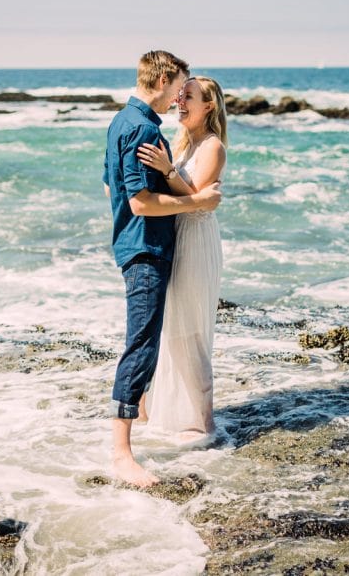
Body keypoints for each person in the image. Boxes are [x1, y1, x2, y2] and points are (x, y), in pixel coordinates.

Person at [102, 51, 222, 487]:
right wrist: (197, 202)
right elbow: (140, 202)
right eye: (179, 87)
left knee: (146, 339)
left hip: (137, 243)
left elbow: (109, 185)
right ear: (166, 79)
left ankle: (145, 421)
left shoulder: (122, 121)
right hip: (146, 248)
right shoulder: (141, 128)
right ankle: (121, 455)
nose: (178, 98)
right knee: (142, 345)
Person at [136, 76, 227, 442]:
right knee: (172, 329)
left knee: (192, 332)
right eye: (179, 96)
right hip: (175, 237)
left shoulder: (213, 146)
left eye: (188, 97)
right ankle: (165, 416)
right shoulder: (181, 141)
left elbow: (195, 196)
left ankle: (205, 426)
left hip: (196, 240)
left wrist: (167, 169)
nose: (180, 102)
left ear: (209, 106)